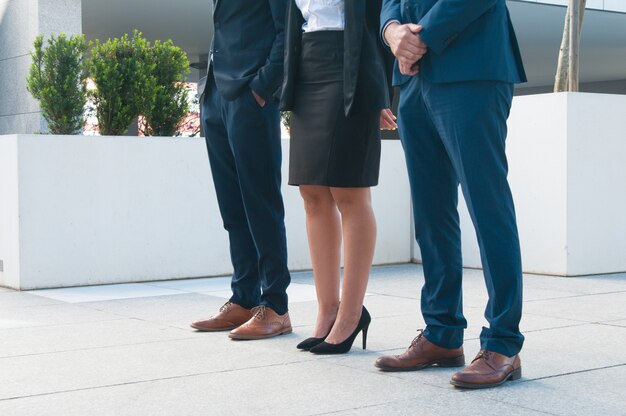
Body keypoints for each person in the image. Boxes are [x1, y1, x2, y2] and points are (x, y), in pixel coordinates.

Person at [376, 0, 527, 388]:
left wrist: (418, 37)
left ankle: (503, 342)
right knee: (431, 214)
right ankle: (441, 332)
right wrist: (392, 30)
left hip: (471, 65)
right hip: (413, 79)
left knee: (487, 206)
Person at [280, 0, 395, 354]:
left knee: (349, 191)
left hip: (353, 65)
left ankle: (351, 312)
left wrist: (381, 92)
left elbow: (379, 19)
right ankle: (327, 309)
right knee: (311, 192)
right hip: (307, 65)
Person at [191, 0, 292, 340]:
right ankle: (244, 297)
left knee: (260, 203)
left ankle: (275, 306)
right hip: (216, 94)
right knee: (232, 207)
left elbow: (286, 31)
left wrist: (262, 88)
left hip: (251, 94)